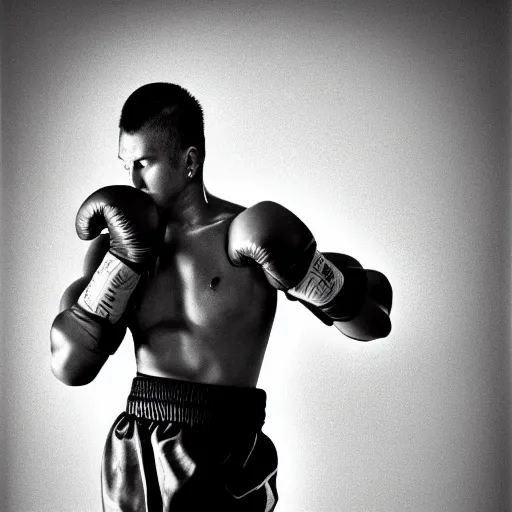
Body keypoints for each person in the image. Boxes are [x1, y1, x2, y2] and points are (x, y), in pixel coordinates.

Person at [50, 82, 392, 512]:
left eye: (144, 164)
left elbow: (374, 320)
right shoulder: (119, 250)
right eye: (126, 167)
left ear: (189, 161)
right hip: (136, 454)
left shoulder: (247, 238)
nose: (133, 181)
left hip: (228, 452)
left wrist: (312, 277)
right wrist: (123, 263)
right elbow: (70, 367)